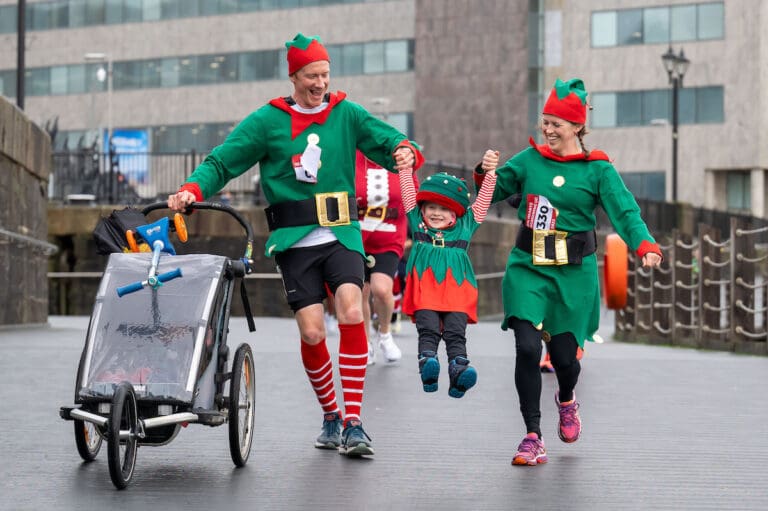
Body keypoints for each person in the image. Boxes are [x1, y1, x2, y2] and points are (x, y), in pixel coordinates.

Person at [167, 33, 424, 457]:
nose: (320, 83)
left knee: (352, 309)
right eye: (311, 76)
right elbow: (223, 161)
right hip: (294, 241)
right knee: (311, 330)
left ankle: (354, 422)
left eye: (325, 74)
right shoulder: (267, 122)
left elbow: (389, 141)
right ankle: (331, 416)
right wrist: (192, 189)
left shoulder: (347, 113)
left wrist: (404, 150)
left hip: (342, 233)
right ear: (294, 77)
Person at [477, 78, 662, 466]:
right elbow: (493, 189)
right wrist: (485, 171)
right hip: (528, 267)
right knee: (527, 347)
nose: (548, 130)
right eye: (545, 122)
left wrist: (645, 245)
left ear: (578, 126)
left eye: (556, 124)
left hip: (573, 274)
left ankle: (566, 399)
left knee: (564, 360)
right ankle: (532, 435)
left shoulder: (598, 170)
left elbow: (625, 211)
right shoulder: (529, 160)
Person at [399, 167, 497, 398]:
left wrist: (490, 174)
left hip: (457, 290)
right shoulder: (417, 221)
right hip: (425, 289)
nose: (436, 213)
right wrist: (404, 168)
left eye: (444, 209)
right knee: (428, 329)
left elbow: (483, 202)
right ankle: (428, 364)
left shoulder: (466, 225)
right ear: (422, 209)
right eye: (431, 207)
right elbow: (408, 192)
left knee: (455, 332)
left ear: (455, 213)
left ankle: (458, 370)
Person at [355, 150, 413, 365]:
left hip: (389, 236)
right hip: (357, 236)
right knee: (359, 292)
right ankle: (365, 344)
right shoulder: (353, 156)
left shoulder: (400, 159)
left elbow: (412, 196)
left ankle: (385, 334)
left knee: (381, 289)